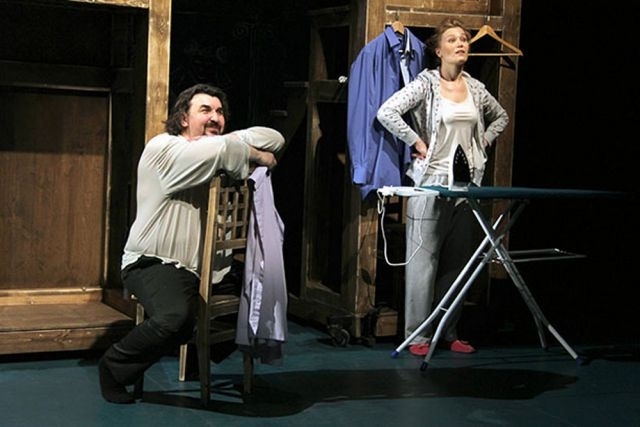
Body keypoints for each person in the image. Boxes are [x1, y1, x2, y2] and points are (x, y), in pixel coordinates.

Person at [98, 83, 285, 403]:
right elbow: (228, 150)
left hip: (203, 268)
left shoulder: (215, 149)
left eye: (220, 112)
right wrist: (256, 155)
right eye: (205, 110)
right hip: (153, 260)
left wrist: (233, 141)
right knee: (176, 318)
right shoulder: (164, 148)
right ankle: (113, 367)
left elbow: (275, 138)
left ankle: (199, 360)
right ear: (183, 118)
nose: (215, 117)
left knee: (259, 294)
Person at [376, 18, 509, 357]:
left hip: (467, 184)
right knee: (423, 263)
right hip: (432, 181)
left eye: (464, 39)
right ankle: (417, 335)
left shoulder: (475, 88)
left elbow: (501, 117)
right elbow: (387, 112)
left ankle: (448, 331)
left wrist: (483, 141)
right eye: (452, 40)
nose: (461, 44)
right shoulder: (426, 84)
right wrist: (415, 140)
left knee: (457, 262)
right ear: (438, 50)